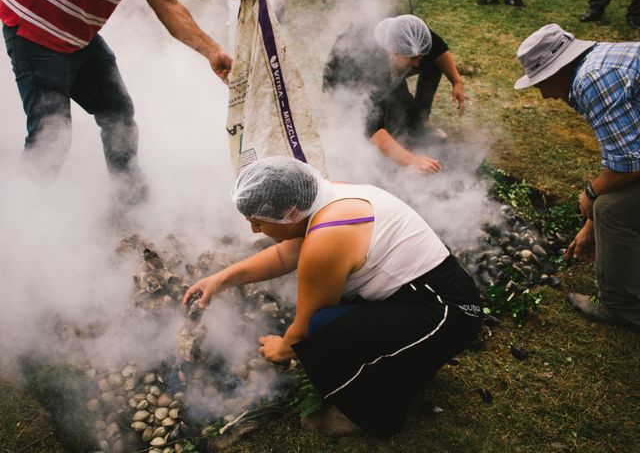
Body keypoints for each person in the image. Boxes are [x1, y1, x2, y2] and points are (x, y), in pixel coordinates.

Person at [184, 156, 482, 437]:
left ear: (289, 215)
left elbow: (305, 328)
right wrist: (222, 279)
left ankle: (367, 415)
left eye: (258, 221)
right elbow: (282, 255)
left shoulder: (326, 240)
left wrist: (284, 347)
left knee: (322, 331)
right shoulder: (323, 198)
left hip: (448, 313)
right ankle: (407, 363)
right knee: (330, 323)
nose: (253, 230)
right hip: (428, 296)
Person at [0, 0, 262, 204]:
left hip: (79, 35)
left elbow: (167, 3)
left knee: (118, 114)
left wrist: (212, 51)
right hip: (34, 28)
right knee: (51, 137)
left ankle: (131, 200)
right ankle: (22, 217)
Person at [514, 24, 640, 329]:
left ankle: (621, 307)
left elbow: (629, 166)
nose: (543, 94)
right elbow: (627, 152)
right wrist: (590, 225)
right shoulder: (600, 60)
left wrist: (591, 195)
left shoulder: (592, 80)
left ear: (559, 70)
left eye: (541, 82)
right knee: (607, 208)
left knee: (612, 209)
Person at [323, 15, 465, 174]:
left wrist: (457, 82)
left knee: (403, 102)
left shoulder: (407, 32)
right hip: (342, 79)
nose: (417, 64)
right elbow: (373, 130)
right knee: (371, 117)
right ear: (393, 53)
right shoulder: (368, 72)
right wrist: (412, 160)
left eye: (419, 57)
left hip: (382, 68)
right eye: (412, 58)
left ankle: (419, 123)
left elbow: (438, 49)